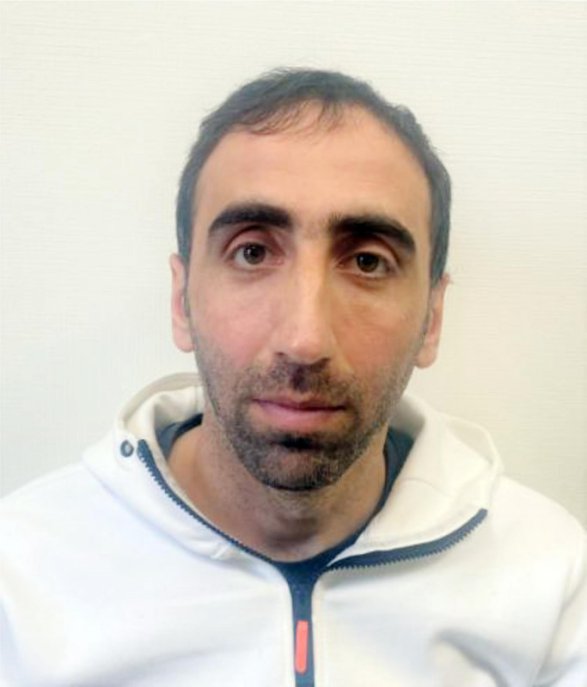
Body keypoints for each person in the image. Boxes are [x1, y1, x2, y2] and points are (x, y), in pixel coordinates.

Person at [1, 68, 585, 687]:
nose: (306, 340)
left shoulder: (549, 578)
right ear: (181, 301)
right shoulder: (23, 575)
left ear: (432, 319)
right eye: (252, 252)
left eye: (368, 262)